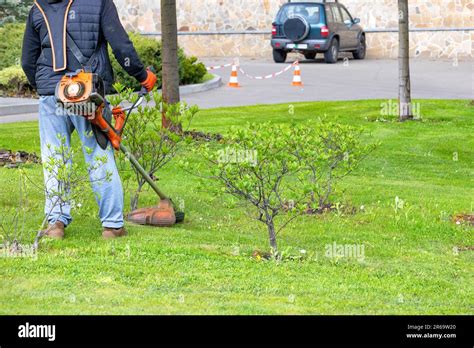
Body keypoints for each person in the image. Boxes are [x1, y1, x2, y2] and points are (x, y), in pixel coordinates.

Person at [21, 0, 157, 240]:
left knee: (55, 155)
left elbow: (27, 61)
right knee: (98, 154)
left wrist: (46, 86)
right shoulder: (99, 2)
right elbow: (121, 46)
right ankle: (113, 226)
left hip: (51, 95)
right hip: (87, 91)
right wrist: (142, 75)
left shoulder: (38, 7)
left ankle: (56, 223)